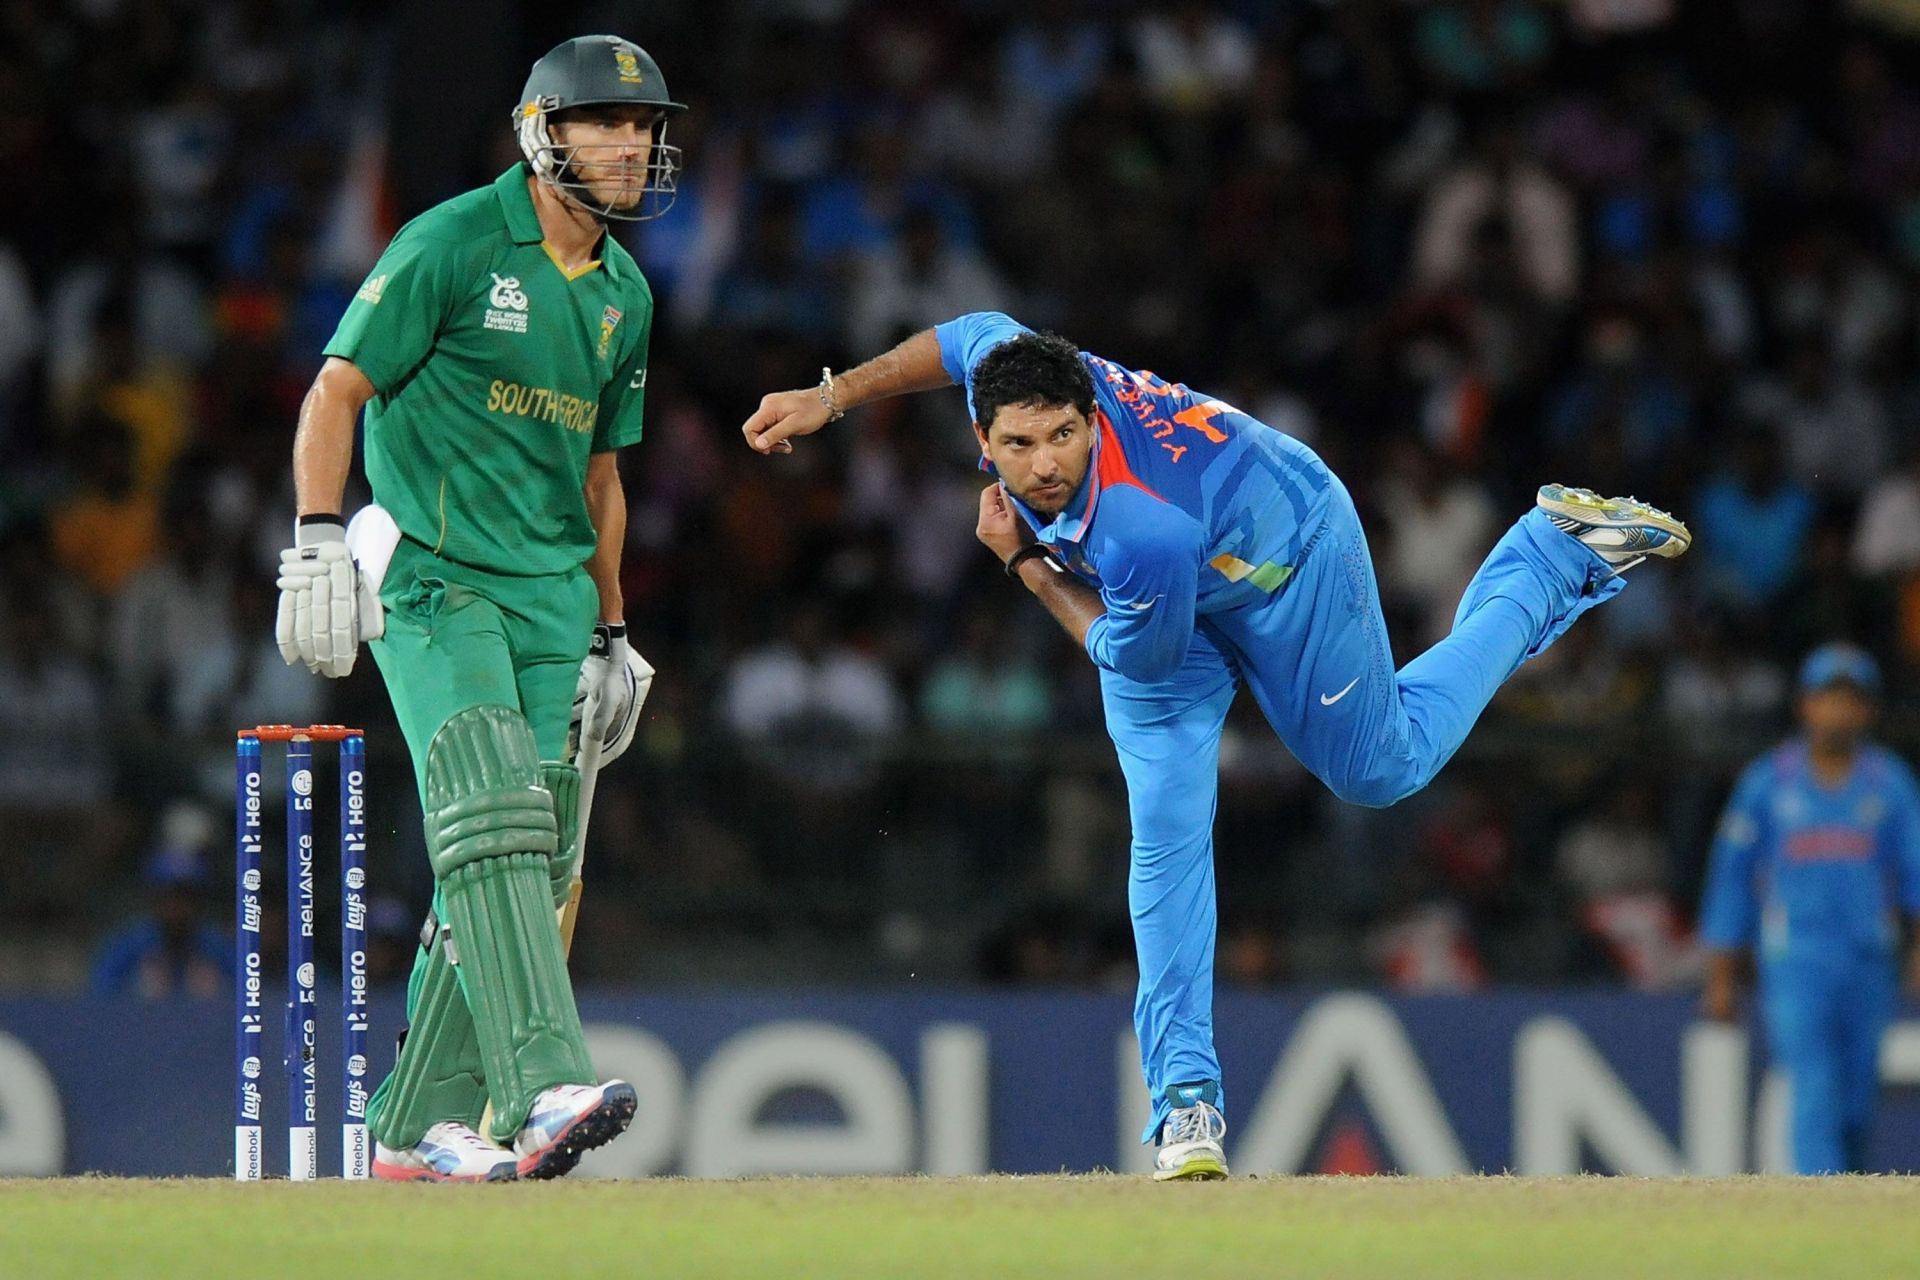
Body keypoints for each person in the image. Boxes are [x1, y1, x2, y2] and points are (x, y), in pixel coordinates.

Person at [741, 312, 1691, 1179]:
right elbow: (959, 340)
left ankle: (1549, 555)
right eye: (1019, 444)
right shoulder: (1022, 370)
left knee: (1380, 770)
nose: (1041, 466)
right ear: (980, 437)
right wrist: (830, 399)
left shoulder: (1138, 530)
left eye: (1063, 437)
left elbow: (1117, 646)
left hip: (1286, 558)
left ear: (1092, 421)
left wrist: (1025, 564)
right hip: (1186, 576)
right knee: (1165, 831)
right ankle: (1186, 1106)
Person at [273, 34, 674, 1182]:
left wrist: (611, 629)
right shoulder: (449, 239)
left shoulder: (625, 294)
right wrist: (313, 536)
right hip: (437, 574)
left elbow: (602, 478)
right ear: (544, 133)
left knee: (527, 858)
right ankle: (542, 1083)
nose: (636, 144)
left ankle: (407, 1128)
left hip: (554, 596)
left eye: (646, 126)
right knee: (492, 810)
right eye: (608, 122)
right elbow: (335, 388)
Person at [1699, 643, 1920, 1174]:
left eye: (1851, 700)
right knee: (1812, 1078)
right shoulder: (1768, 782)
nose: (1839, 711)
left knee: (1858, 1093)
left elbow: (1915, 871)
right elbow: (1732, 879)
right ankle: (1820, 1194)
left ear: (1867, 710)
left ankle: (1845, 1191)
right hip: (1796, 956)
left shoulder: (1889, 783)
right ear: (1805, 705)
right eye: (1828, 698)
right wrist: (1721, 975)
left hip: (1868, 956)